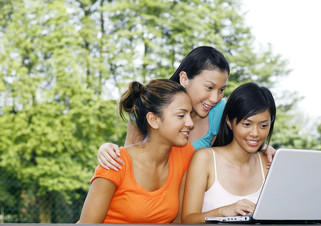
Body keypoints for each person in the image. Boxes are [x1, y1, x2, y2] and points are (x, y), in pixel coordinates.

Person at [96, 46, 275, 170]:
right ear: (184, 79)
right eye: (209, 87)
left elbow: (241, 141)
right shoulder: (152, 105)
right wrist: (106, 148)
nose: (215, 98)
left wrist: (262, 149)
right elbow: (128, 159)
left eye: (221, 90)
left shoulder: (220, 110)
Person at [78, 79, 195, 224]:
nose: (190, 123)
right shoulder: (115, 162)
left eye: (190, 114)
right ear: (153, 120)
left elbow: (178, 224)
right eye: (181, 115)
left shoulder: (185, 154)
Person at [181, 82, 276, 223]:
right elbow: (187, 220)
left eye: (263, 125)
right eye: (247, 124)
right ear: (229, 121)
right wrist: (222, 211)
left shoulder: (269, 162)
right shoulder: (205, 159)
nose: (255, 133)